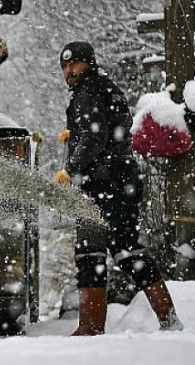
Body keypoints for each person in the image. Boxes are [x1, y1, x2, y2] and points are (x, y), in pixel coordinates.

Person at [55, 41, 184, 336]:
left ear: (88, 63)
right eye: (64, 66)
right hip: (114, 180)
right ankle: (164, 318)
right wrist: (74, 136)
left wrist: (70, 169)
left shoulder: (89, 91)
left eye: (74, 64)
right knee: (113, 252)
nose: (69, 71)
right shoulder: (100, 88)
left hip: (105, 182)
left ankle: (92, 326)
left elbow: (94, 137)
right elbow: (104, 130)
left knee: (101, 252)